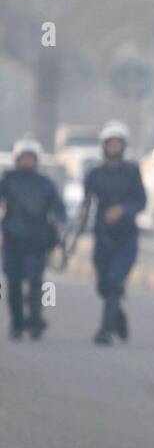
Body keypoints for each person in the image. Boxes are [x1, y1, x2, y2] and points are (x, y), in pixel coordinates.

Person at [79, 120, 146, 346]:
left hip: (126, 236)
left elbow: (141, 201)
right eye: (111, 143)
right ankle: (119, 318)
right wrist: (80, 219)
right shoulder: (94, 174)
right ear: (104, 146)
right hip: (102, 235)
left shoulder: (132, 172)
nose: (114, 147)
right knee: (102, 284)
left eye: (118, 143)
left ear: (123, 146)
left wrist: (123, 210)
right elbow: (86, 202)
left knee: (115, 281)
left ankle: (105, 331)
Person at [0, 138, 66, 340]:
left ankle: (37, 319)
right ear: (17, 159)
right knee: (14, 284)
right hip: (12, 239)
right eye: (24, 158)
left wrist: (60, 226)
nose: (27, 161)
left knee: (38, 282)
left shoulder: (45, 184)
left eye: (31, 158)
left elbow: (59, 210)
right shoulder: (7, 181)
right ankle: (17, 323)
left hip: (38, 241)